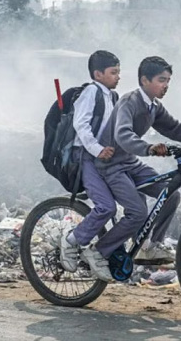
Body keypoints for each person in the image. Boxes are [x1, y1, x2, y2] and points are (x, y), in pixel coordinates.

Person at [79, 56, 181, 280]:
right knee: (137, 212)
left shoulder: (153, 106)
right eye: (161, 80)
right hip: (111, 165)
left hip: (129, 163)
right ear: (144, 80)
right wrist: (150, 148)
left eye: (168, 81)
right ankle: (97, 251)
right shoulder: (129, 101)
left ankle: (151, 246)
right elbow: (122, 135)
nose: (166, 86)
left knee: (170, 193)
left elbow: (173, 127)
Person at [59, 50, 120, 280]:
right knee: (106, 207)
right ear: (98, 74)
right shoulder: (91, 92)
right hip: (86, 157)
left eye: (118, 72)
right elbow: (81, 126)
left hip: (105, 159)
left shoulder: (112, 97)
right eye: (113, 72)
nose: (118, 77)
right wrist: (97, 149)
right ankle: (72, 240)